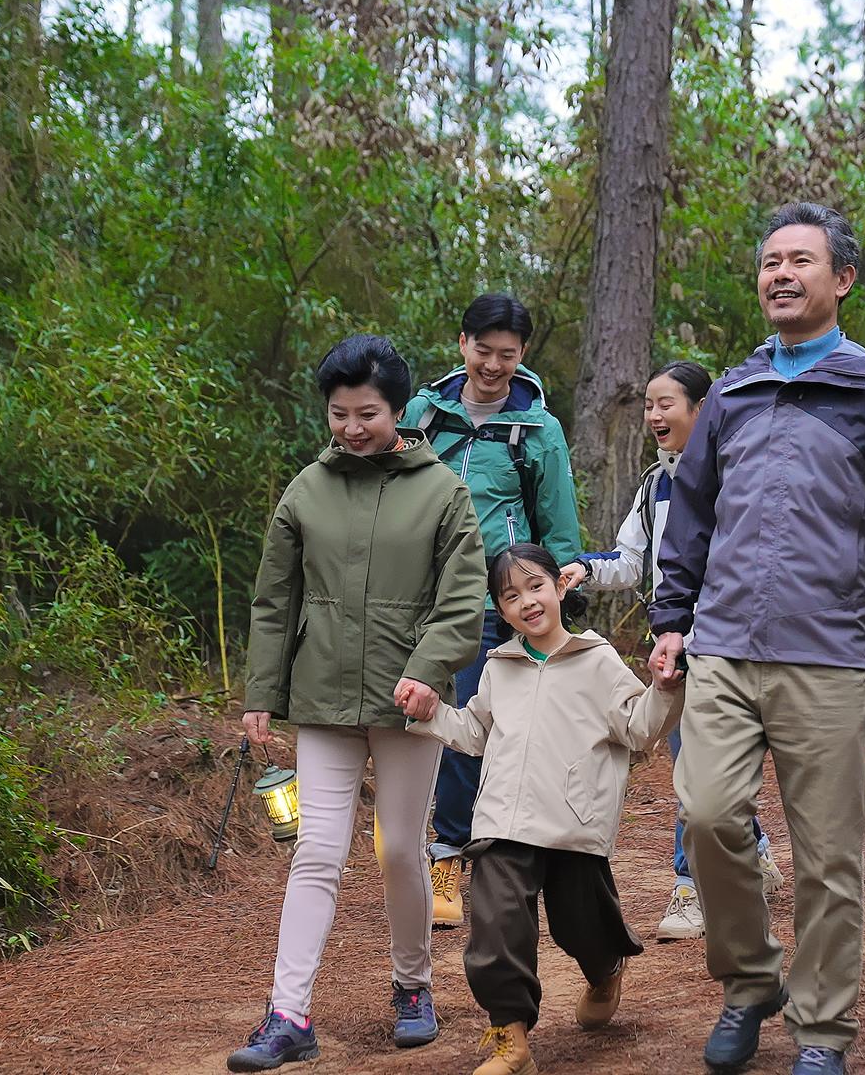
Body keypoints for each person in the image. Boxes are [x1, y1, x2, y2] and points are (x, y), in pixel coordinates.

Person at [649, 203, 865, 1075]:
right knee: (711, 815)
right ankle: (752, 981)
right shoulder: (735, 391)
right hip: (723, 646)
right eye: (768, 261)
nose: (780, 273)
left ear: (843, 280)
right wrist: (671, 620)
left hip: (826, 653)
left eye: (800, 260)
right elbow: (693, 515)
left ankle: (823, 1031)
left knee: (829, 857)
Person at [227, 335, 488, 1072]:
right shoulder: (306, 489)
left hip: (410, 704)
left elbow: (463, 599)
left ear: (399, 411)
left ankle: (412, 987)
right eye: (338, 414)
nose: (349, 428)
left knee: (401, 850)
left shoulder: (442, 490)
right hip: (324, 697)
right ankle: (288, 1014)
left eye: (365, 413)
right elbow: (275, 599)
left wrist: (429, 672)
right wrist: (262, 691)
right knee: (314, 852)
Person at [407, 542, 683, 1075]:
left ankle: (604, 970)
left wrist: (665, 687)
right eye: (510, 596)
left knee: (582, 925)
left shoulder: (596, 660)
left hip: (572, 823)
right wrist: (432, 713)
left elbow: (640, 727)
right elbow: (475, 732)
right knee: (495, 924)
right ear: (501, 609)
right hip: (503, 820)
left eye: (536, 586)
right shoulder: (499, 666)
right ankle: (511, 1040)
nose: (527, 602)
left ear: (560, 587)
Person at [559, 360, 784, 943]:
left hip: (731, 644)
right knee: (700, 766)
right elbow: (632, 561)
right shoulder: (652, 486)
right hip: (674, 644)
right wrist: (584, 569)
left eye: (668, 404)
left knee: (701, 766)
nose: (655, 415)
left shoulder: (735, 477)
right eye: (650, 406)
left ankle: (690, 889)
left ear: (702, 410)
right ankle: (751, 849)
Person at [402, 293, 584, 928]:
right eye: (483, 351)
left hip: (495, 602)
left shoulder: (537, 428)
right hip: (421, 599)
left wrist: (563, 584)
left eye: (507, 355)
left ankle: (474, 857)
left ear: (522, 355)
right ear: (462, 344)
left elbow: (556, 515)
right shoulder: (424, 414)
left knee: (483, 732)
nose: (493, 366)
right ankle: (437, 852)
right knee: (426, 727)